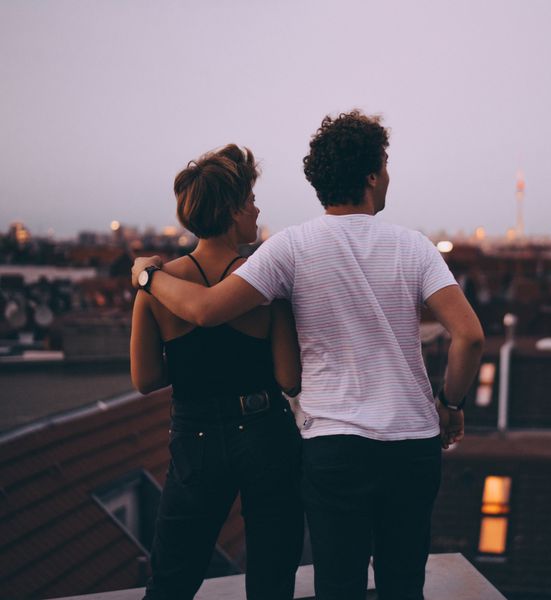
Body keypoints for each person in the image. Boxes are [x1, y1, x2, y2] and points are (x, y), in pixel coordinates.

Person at [131, 111, 484, 600]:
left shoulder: (290, 249)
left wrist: (147, 278)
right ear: (370, 175)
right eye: (385, 165)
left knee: (337, 585)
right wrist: (450, 404)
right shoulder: (415, 247)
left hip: (332, 447)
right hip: (411, 444)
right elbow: (469, 336)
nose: (388, 177)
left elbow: (206, 312)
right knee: (402, 584)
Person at [130, 144, 304, 600]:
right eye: (250, 200)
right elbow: (289, 377)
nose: (257, 208)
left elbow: (145, 379)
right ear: (231, 211)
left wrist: (194, 365)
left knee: (172, 577)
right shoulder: (265, 280)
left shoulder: (157, 283)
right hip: (266, 432)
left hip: (196, 436)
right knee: (272, 578)